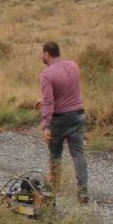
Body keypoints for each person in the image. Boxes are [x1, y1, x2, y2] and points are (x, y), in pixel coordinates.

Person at [40, 41, 88, 203]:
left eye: (42, 54)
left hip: (59, 120)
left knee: (55, 154)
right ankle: (83, 191)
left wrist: (46, 125)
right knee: (78, 153)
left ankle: (54, 188)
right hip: (78, 116)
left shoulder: (47, 74)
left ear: (47, 54)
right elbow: (69, 91)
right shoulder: (74, 66)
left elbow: (49, 101)